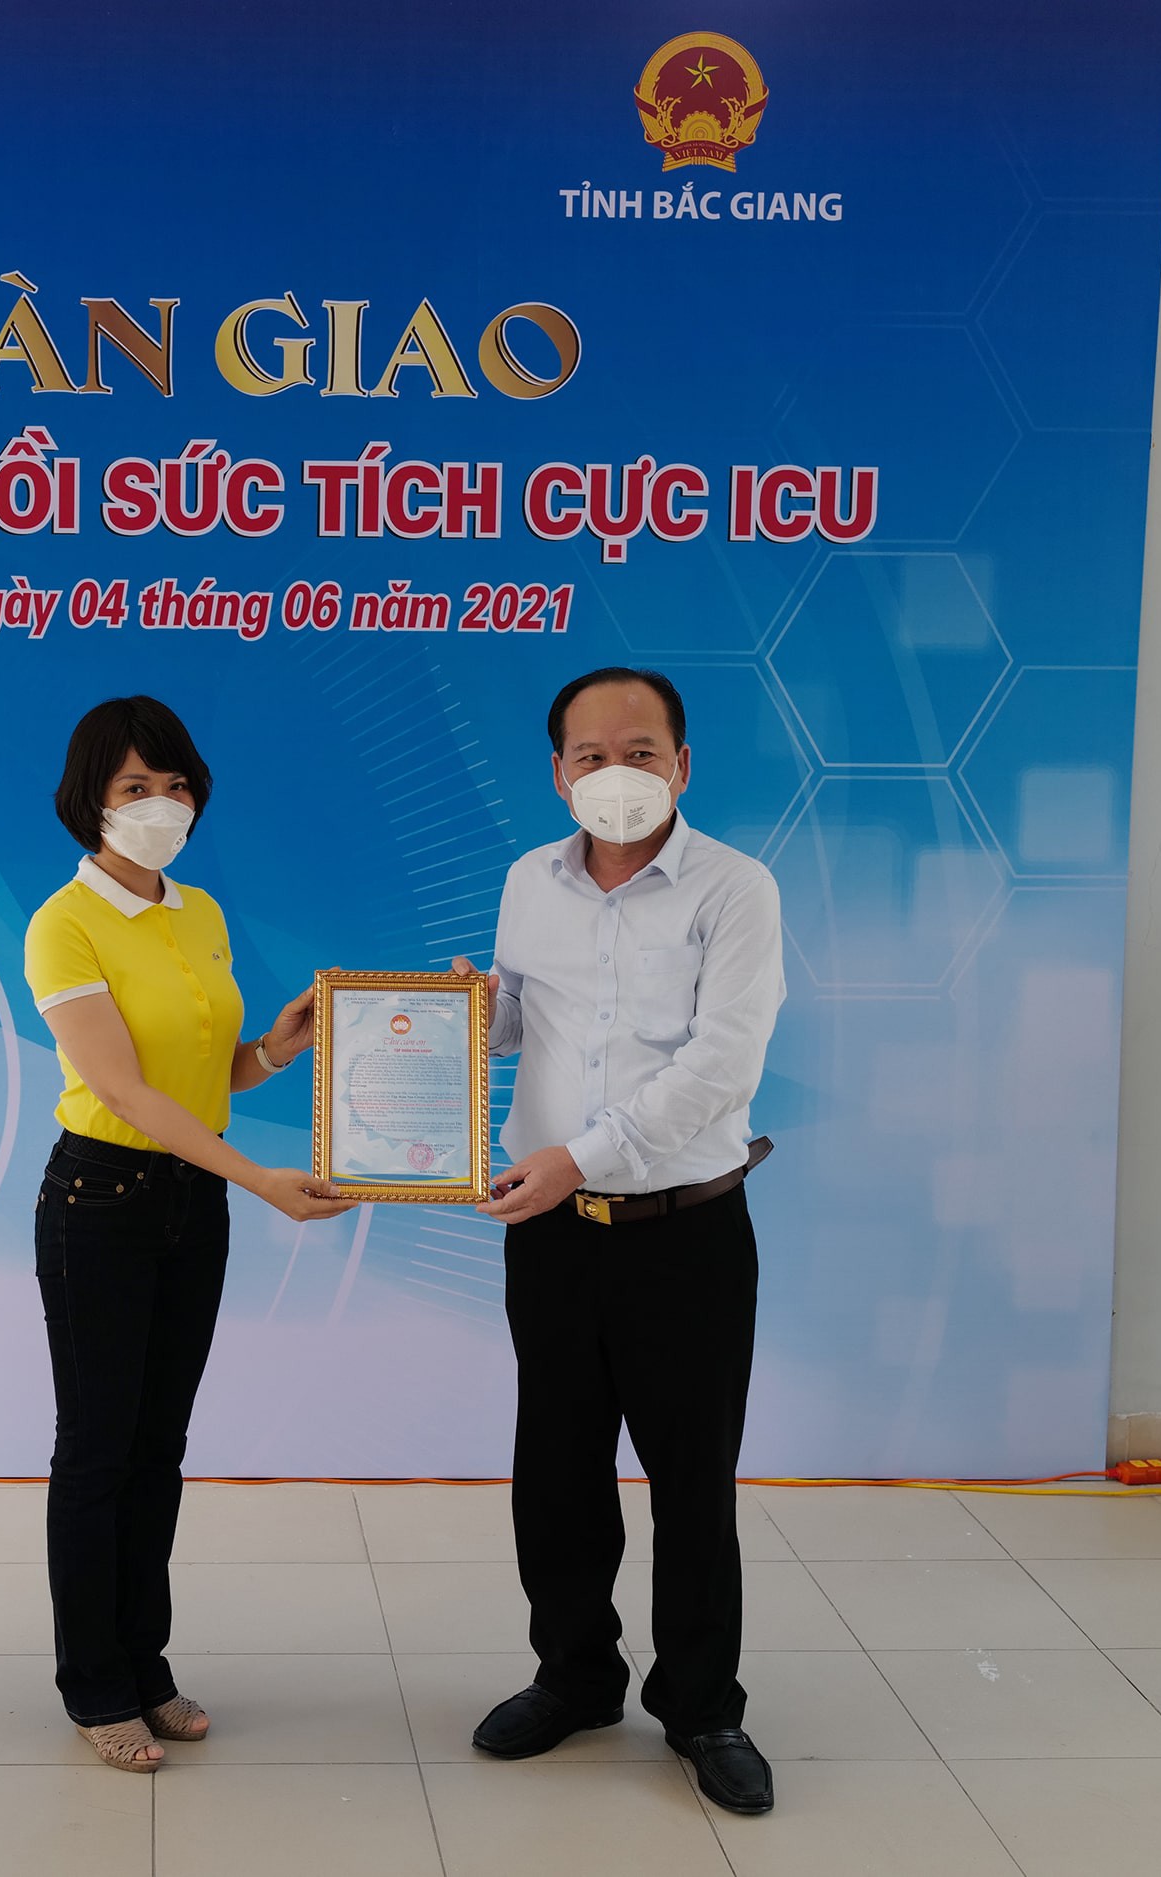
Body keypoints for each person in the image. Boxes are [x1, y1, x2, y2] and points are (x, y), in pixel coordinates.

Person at [452, 666, 787, 1816]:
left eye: (640, 751)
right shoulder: (526, 881)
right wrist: (468, 1017)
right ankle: (575, 1675)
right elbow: (520, 1026)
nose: (615, 773)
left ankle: (702, 1704)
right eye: (590, 755)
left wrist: (580, 1156)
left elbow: (720, 1066)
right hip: (548, 1230)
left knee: (690, 1480)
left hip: (683, 1231)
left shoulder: (736, 890)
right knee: (555, 1469)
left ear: (682, 765)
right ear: (558, 773)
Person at [24, 694, 356, 1773]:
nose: (160, 804)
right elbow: (124, 1089)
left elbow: (206, 1076)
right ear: (91, 800)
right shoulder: (62, 924)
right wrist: (260, 1178)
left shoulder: (199, 911)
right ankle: (93, 1685)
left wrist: (278, 1049)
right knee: (97, 1450)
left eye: (175, 785)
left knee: (158, 1445)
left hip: (189, 1200)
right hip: (100, 1200)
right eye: (135, 787)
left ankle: (146, 1663)